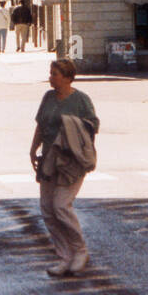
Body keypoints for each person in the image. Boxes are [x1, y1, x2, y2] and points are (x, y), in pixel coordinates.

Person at [29, 60, 100, 277]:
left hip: (71, 161)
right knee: (48, 210)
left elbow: (93, 125)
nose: (51, 77)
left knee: (60, 205)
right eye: (51, 73)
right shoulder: (48, 97)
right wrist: (33, 149)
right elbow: (41, 125)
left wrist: (72, 127)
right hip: (49, 158)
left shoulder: (81, 100)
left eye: (55, 74)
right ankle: (64, 256)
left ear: (68, 77)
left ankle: (80, 251)